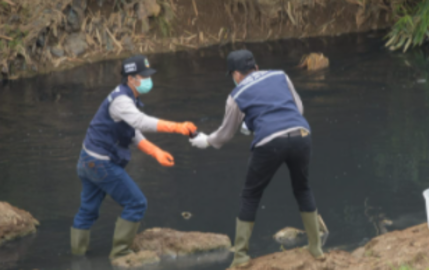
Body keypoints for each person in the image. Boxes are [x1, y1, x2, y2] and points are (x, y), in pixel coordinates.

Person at [190, 49, 324, 267]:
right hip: (301, 134)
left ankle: (241, 258)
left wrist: (206, 141)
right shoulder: (281, 75)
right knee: (303, 188)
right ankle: (316, 248)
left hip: (270, 142)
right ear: (256, 67)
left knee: (250, 195)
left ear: (235, 74)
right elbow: (298, 108)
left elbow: (225, 134)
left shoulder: (236, 95)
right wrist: (254, 122)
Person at [70, 55, 197, 259]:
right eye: (143, 76)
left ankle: (76, 258)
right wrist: (177, 127)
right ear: (131, 79)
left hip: (87, 160)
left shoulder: (128, 97)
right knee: (137, 203)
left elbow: (132, 129)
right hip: (101, 163)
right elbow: (140, 121)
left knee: (88, 211)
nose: (148, 80)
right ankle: (121, 253)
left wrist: (154, 151)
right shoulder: (121, 100)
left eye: (148, 75)